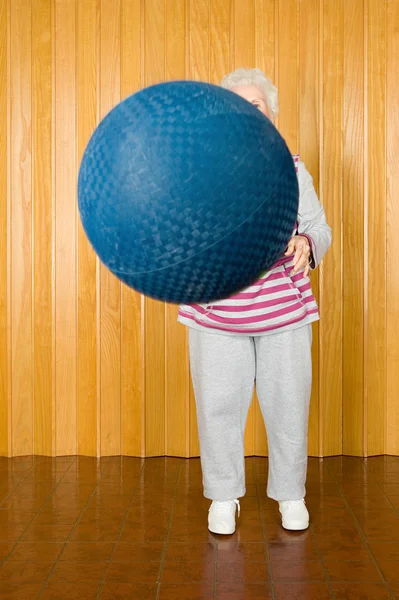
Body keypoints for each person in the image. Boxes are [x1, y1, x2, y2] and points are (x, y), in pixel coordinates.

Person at [178, 68, 332, 534]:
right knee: (218, 406)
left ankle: (291, 494)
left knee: (288, 406)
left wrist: (306, 241)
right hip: (215, 310)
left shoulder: (292, 166)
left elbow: (319, 228)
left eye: (257, 104)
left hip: (283, 311)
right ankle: (223, 496)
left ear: (270, 114)